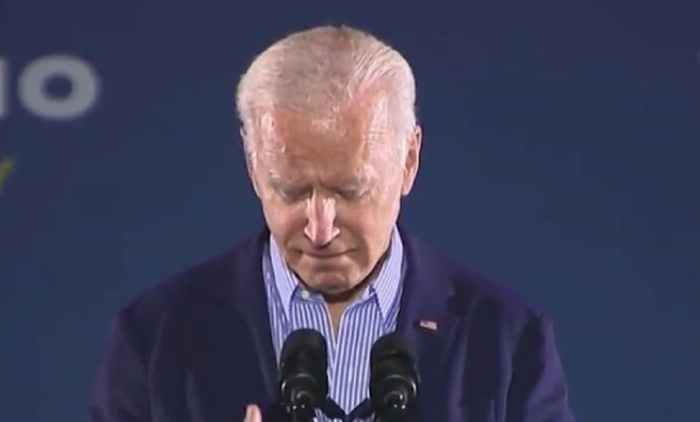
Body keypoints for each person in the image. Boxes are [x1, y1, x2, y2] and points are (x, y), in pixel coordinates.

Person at [89, 25, 576, 422]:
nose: (319, 230)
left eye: (349, 191)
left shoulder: (506, 338)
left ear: (409, 160)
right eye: (291, 191)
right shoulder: (156, 337)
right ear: (253, 166)